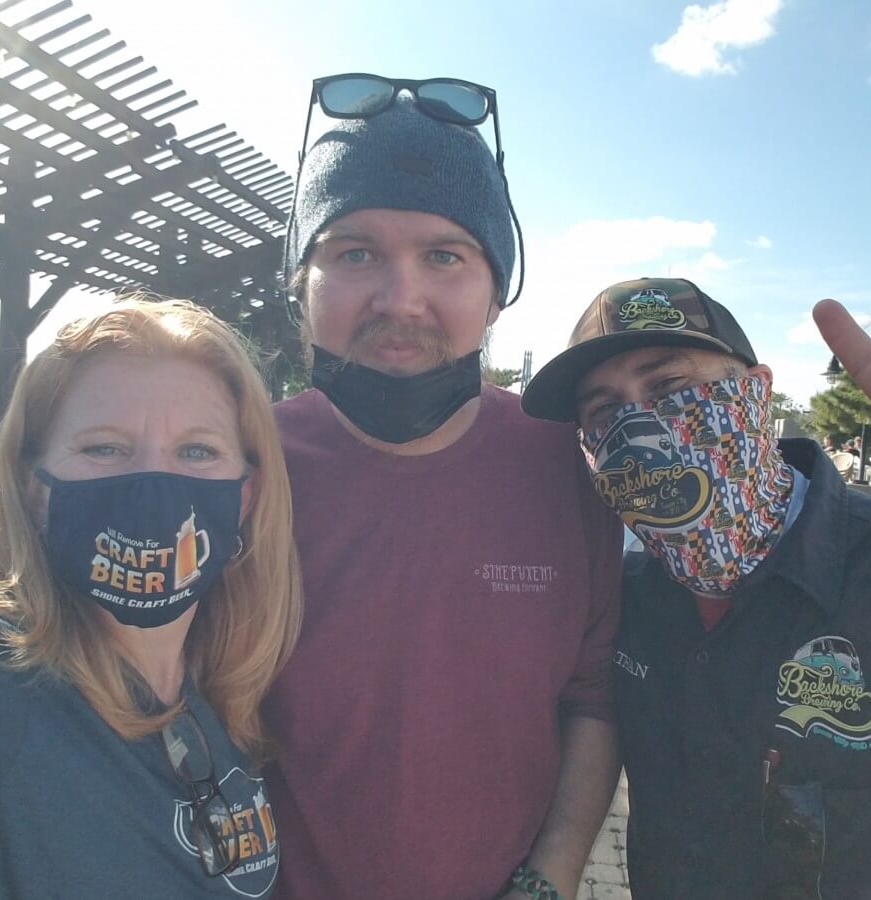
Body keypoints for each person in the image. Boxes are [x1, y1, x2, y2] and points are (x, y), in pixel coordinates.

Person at [521, 235, 871, 898]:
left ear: (756, 392)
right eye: (605, 411)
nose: (637, 425)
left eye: (669, 386)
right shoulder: (625, 600)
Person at [264, 74, 623, 900]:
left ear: (497, 293)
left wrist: (550, 880)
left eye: (445, 256)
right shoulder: (238, 466)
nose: (402, 300)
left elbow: (595, 697)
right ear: (300, 282)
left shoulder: (572, 465)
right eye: (354, 253)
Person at [0, 297, 302, 899]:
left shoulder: (220, 701)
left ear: (245, 496)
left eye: (198, 451)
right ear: (33, 488)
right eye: (103, 447)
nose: (153, 484)